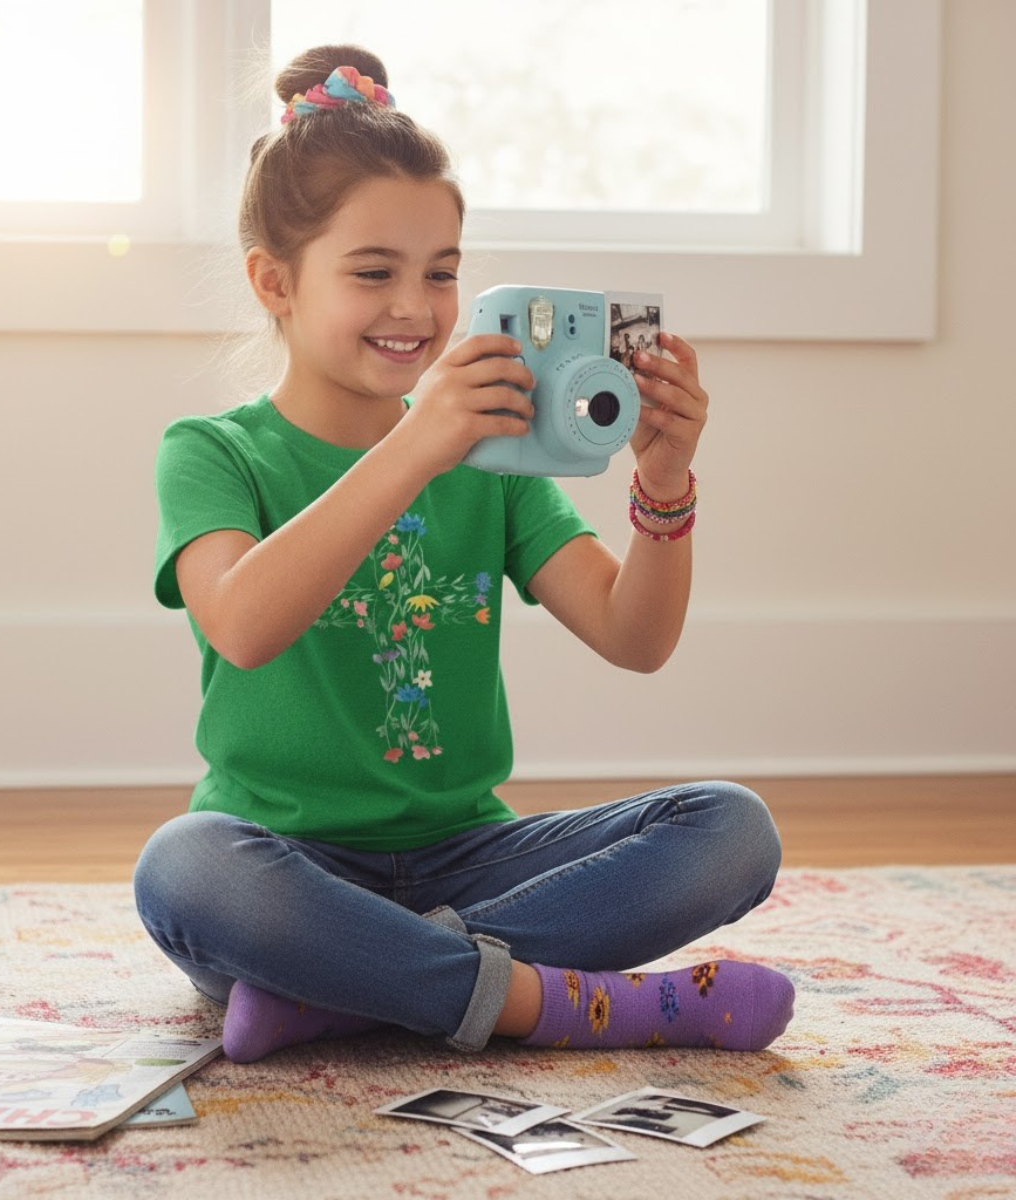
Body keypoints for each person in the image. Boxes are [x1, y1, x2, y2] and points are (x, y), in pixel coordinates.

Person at [134, 44, 794, 1064]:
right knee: (183, 869)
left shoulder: (491, 458)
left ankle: (352, 998)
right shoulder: (213, 453)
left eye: (441, 273)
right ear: (275, 281)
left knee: (734, 830)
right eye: (373, 273)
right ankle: (563, 1004)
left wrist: (662, 480)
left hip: (470, 859)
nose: (416, 308)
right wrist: (414, 444)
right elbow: (245, 623)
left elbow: (634, 636)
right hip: (284, 867)